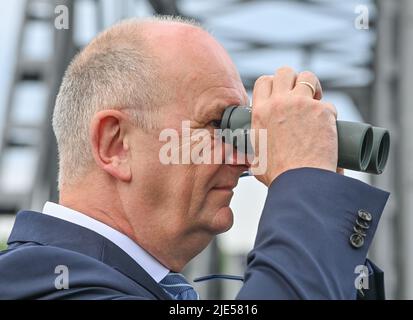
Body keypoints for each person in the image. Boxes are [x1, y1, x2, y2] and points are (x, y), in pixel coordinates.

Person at [0, 16, 389, 300]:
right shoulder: (41, 285)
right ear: (116, 144)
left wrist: (324, 205)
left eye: (242, 128)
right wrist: (308, 190)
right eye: (219, 124)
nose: (245, 161)